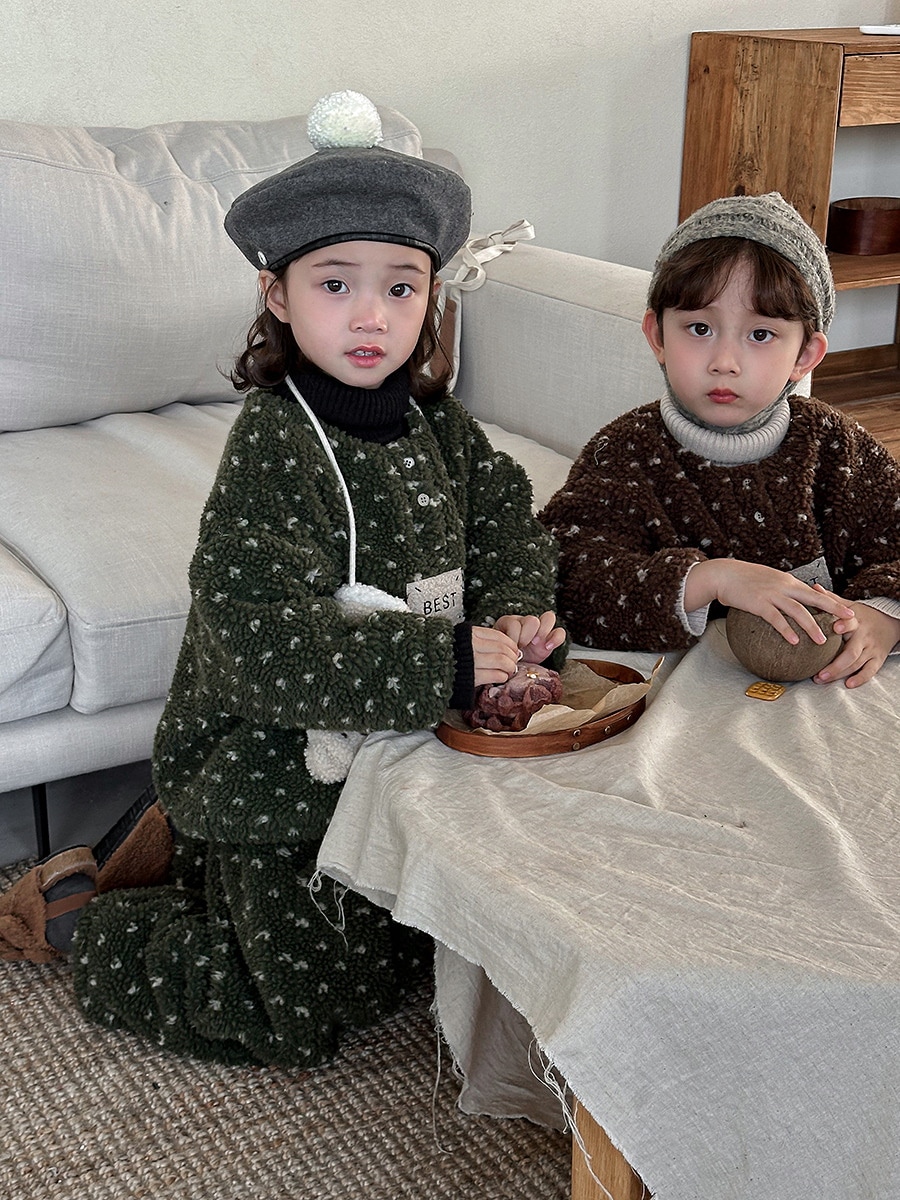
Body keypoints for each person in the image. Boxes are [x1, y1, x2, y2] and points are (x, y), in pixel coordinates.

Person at [0, 91, 565, 1067]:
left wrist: (517, 602)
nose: (371, 316)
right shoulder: (274, 449)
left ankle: (187, 872)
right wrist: (440, 663)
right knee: (290, 1013)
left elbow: (505, 517)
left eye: (401, 288)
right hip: (274, 764)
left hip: (405, 739)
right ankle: (108, 927)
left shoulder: (438, 425)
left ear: (432, 296)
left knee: (421, 957)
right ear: (278, 295)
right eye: (335, 284)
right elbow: (259, 644)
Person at [540, 192, 900, 687]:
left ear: (805, 355)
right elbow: (568, 579)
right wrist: (712, 579)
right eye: (700, 328)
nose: (724, 362)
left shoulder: (837, 448)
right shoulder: (623, 454)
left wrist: (886, 615)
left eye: (760, 335)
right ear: (658, 336)